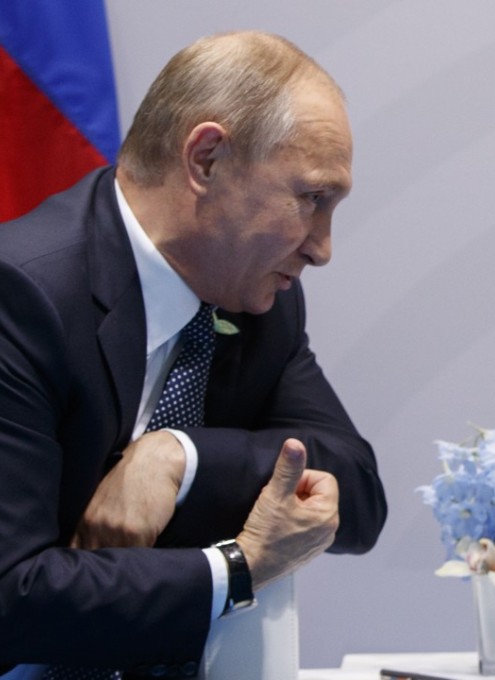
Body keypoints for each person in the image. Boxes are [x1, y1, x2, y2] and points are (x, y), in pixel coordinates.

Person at [0, 31, 387, 677]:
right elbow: (11, 597)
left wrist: (180, 459)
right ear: (205, 159)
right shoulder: (22, 294)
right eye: (312, 199)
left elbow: (357, 493)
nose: (322, 247)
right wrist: (240, 567)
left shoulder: (256, 299)